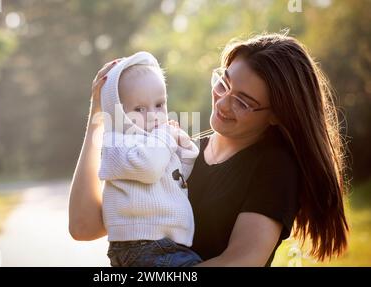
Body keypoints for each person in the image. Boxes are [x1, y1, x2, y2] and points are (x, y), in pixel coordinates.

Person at [68, 33, 349, 266]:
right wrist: (99, 119)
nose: (223, 103)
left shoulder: (274, 168)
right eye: (224, 83)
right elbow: (84, 227)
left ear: (277, 114)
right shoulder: (181, 151)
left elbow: (241, 260)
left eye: (243, 101)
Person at [97, 51, 201, 267]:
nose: (154, 115)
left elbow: (177, 179)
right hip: (142, 246)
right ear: (118, 113)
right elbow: (150, 168)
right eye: (139, 109)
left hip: (163, 245)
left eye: (159, 105)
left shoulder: (154, 142)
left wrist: (184, 148)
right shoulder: (116, 142)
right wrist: (166, 136)